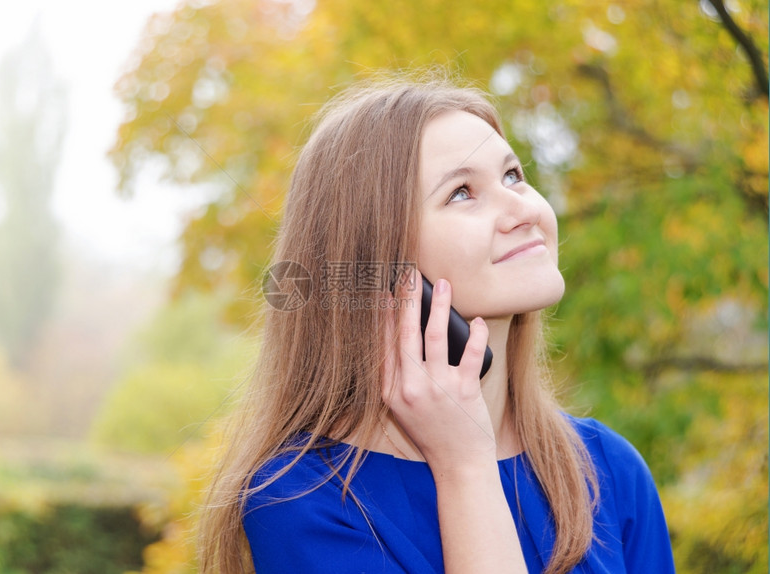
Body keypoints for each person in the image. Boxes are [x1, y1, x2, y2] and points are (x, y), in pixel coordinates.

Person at [198, 72, 676, 574]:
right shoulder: (300, 502)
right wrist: (465, 465)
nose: (522, 209)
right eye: (462, 193)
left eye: (513, 175)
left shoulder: (609, 470)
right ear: (382, 269)